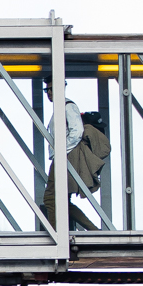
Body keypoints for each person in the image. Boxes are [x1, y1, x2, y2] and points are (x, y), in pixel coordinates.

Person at [42, 78, 97, 231]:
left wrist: (61, 151)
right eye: (47, 90)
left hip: (63, 157)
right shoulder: (60, 108)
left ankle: (55, 234)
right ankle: (93, 230)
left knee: (50, 198)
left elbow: (77, 131)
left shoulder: (68, 107)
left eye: (52, 89)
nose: (49, 93)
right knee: (63, 201)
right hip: (62, 157)